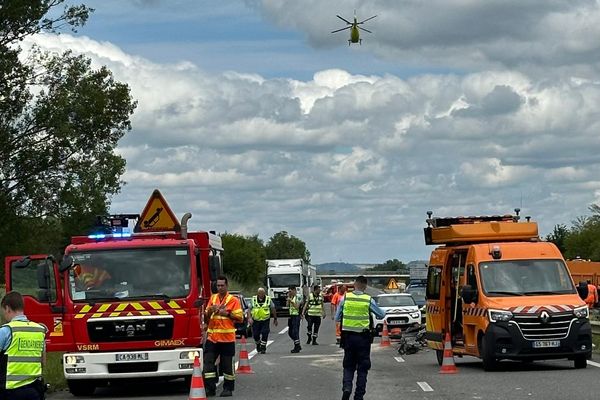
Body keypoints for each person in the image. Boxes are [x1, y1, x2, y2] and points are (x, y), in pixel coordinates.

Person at [335, 276, 385, 400]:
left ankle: (347, 387)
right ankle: (359, 396)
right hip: (363, 338)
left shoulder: (345, 297)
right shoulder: (367, 300)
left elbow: (337, 317)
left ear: (354, 284)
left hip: (347, 338)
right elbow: (381, 314)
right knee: (363, 368)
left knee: (348, 365)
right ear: (365, 286)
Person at [0, 291, 47, 400]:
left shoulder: (6, 331)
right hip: (35, 390)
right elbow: (43, 361)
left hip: (10, 392)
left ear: (7, 308)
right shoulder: (39, 330)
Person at [203, 276, 244, 397]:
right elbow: (206, 316)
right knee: (208, 363)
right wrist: (210, 310)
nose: (220, 288)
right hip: (213, 338)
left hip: (227, 338)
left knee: (227, 366)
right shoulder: (213, 298)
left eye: (222, 285)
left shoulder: (233, 300)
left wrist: (226, 313)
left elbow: (240, 318)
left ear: (226, 286)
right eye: (218, 285)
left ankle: (228, 388)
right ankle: (210, 388)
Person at [247, 288, 277, 354]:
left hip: (265, 320)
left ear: (264, 293)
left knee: (265, 333)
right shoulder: (253, 299)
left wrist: (275, 318)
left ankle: (263, 347)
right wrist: (249, 318)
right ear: (257, 293)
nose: (261, 295)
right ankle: (258, 344)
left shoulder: (268, 299)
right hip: (256, 320)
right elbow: (249, 309)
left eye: (262, 293)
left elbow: (273, 308)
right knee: (255, 335)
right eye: (260, 293)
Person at [287, 285, 303, 353]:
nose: (290, 292)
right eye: (289, 291)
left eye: (290, 291)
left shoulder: (298, 296)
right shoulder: (290, 297)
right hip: (291, 315)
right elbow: (287, 305)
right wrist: (289, 298)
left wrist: (291, 301)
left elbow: (297, 306)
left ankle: (296, 346)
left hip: (296, 315)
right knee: (290, 332)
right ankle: (297, 344)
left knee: (295, 331)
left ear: (294, 290)